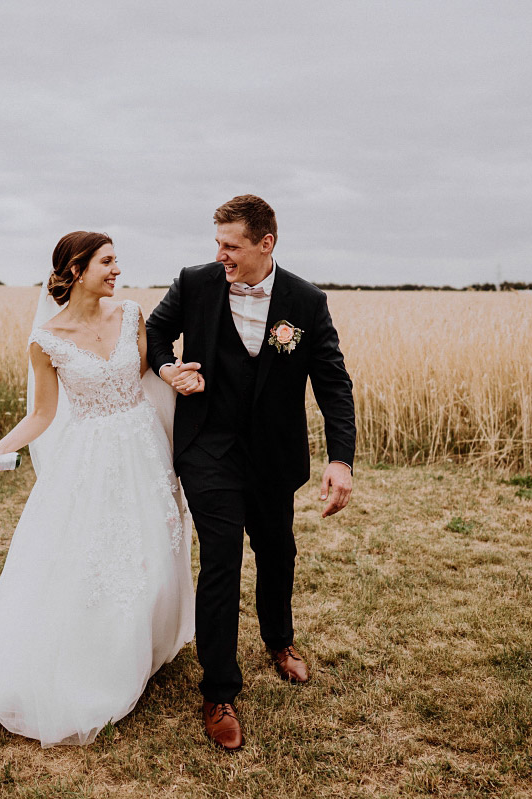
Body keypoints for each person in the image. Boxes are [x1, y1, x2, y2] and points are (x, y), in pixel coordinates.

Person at [0, 232, 194, 747]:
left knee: (154, 548)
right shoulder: (46, 340)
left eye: (117, 260)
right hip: (91, 456)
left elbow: (149, 373)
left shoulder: (132, 315)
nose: (118, 270)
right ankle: (96, 661)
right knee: (95, 556)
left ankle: (147, 645)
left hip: (142, 446)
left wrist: (178, 378)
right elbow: (43, 414)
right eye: (107, 261)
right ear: (76, 269)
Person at [146, 195, 356, 751]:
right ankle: (218, 692)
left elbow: (333, 383)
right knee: (221, 557)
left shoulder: (305, 302)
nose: (220, 255)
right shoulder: (194, 282)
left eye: (231, 245)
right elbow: (153, 337)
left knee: (277, 549)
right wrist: (170, 370)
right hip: (207, 446)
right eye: (216, 243)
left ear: (266, 244)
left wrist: (341, 460)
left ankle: (279, 641)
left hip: (272, 452)